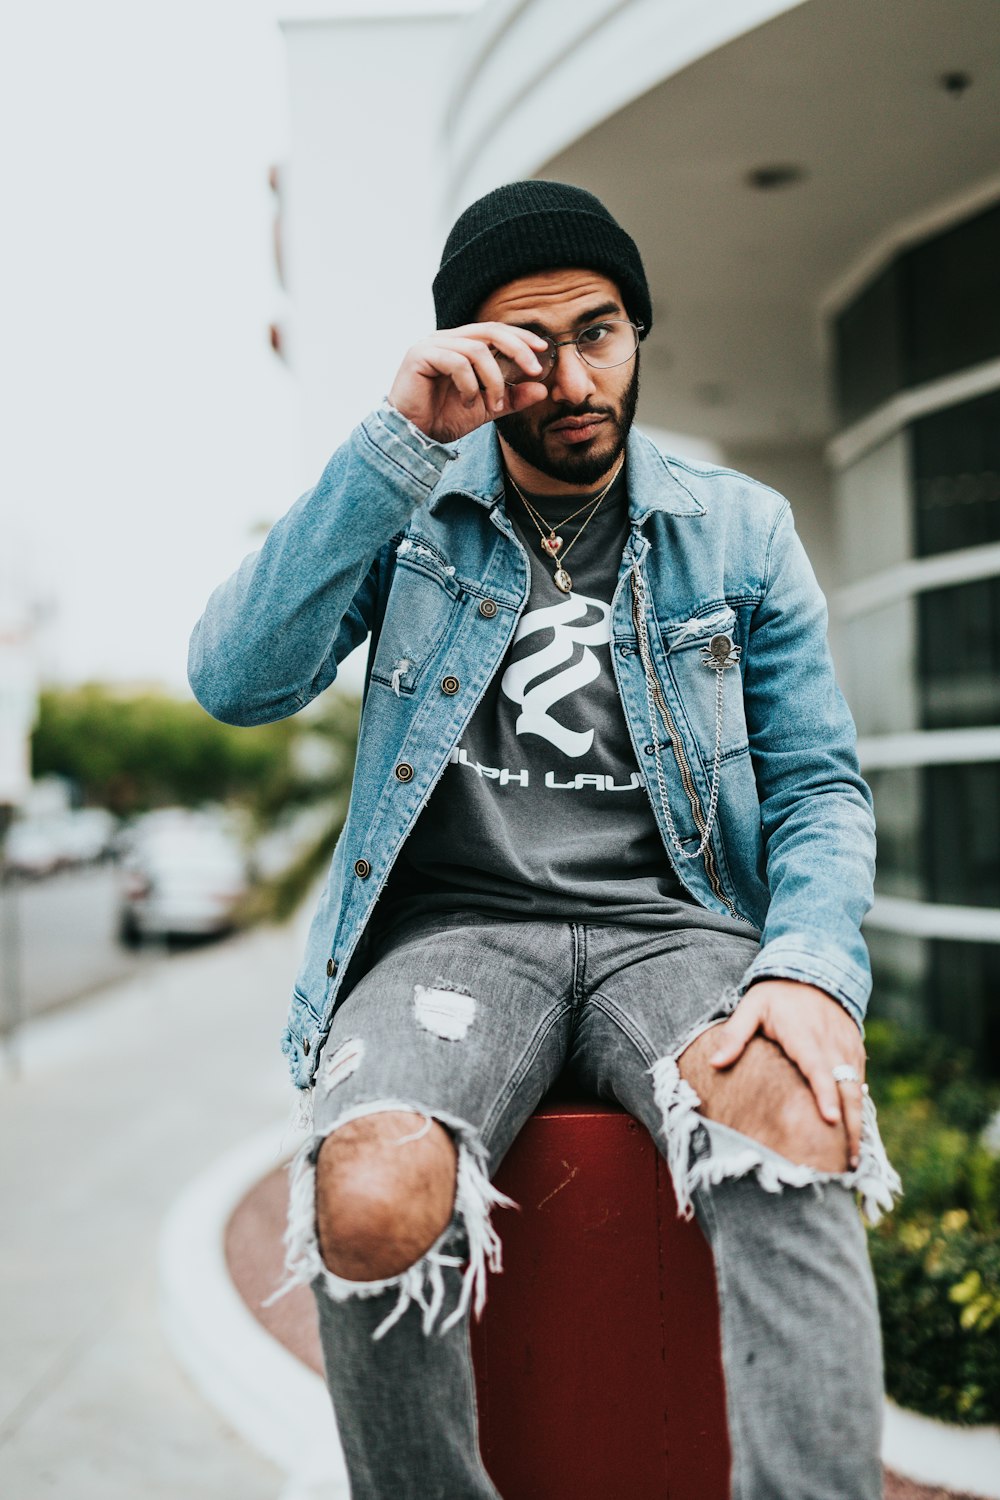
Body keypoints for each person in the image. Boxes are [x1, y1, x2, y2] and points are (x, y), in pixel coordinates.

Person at [189, 180, 901, 1499]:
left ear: (639, 330)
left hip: (675, 930)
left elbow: (820, 788)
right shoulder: (410, 512)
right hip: (456, 940)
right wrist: (397, 441)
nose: (575, 378)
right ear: (473, 353)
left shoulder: (735, 527)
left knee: (801, 1119)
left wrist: (806, 966)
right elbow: (236, 680)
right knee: (374, 1192)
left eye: (603, 331)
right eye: (531, 346)